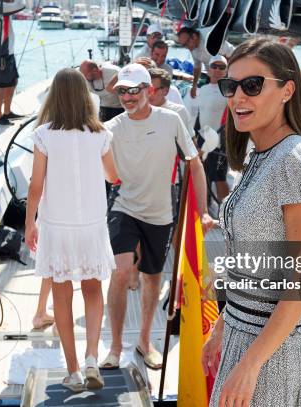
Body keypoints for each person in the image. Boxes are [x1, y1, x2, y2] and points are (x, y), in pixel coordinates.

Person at [202, 39, 301, 406]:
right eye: (231, 86)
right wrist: (223, 325)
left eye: (252, 85)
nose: (238, 96)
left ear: (287, 90)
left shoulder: (294, 159)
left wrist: (252, 363)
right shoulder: (260, 154)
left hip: (275, 352)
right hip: (245, 337)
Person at [100, 63, 213, 371]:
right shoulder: (111, 129)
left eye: (133, 90)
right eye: (122, 91)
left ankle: (145, 341)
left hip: (161, 213)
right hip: (123, 207)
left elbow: (195, 164)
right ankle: (114, 346)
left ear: (148, 90)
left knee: (152, 277)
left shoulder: (171, 120)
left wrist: (202, 212)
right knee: (122, 271)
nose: (127, 97)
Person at [25, 68, 118, 392]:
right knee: (93, 291)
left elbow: (36, 187)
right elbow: (113, 175)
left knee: (62, 296)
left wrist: (29, 224)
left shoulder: (44, 135)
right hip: (91, 225)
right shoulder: (100, 134)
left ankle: (74, 371)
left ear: (55, 97)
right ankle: (93, 356)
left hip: (57, 226)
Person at [190, 55, 230, 201]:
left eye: (221, 67)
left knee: (220, 178)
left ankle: (226, 213)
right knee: (203, 175)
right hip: (202, 137)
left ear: (226, 71)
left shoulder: (229, 90)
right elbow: (198, 116)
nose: (217, 70)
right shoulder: (203, 89)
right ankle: (204, 211)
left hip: (220, 141)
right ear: (208, 69)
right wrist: (194, 138)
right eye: (214, 66)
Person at [0, 0, 26, 126]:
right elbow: (21, 5)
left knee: (13, 81)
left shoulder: (2, 6)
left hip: (8, 52)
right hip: (2, 52)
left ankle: (7, 112)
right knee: (2, 85)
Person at [176, 26, 234, 99]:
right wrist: (194, 86)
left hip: (229, 70)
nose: (186, 47)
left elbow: (229, 56)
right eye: (183, 45)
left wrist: (227, 77)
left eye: (185, 44)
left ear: (194, 37)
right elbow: (197, 67)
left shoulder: (210, 37)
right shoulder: (192, 47)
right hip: (213, 76)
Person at [148, 68, 193, 133]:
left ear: (165, 91)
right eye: (148, 90)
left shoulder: (179, 111)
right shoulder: (138, 111)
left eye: (154, 90)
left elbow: (190, 140)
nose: (150, 94)